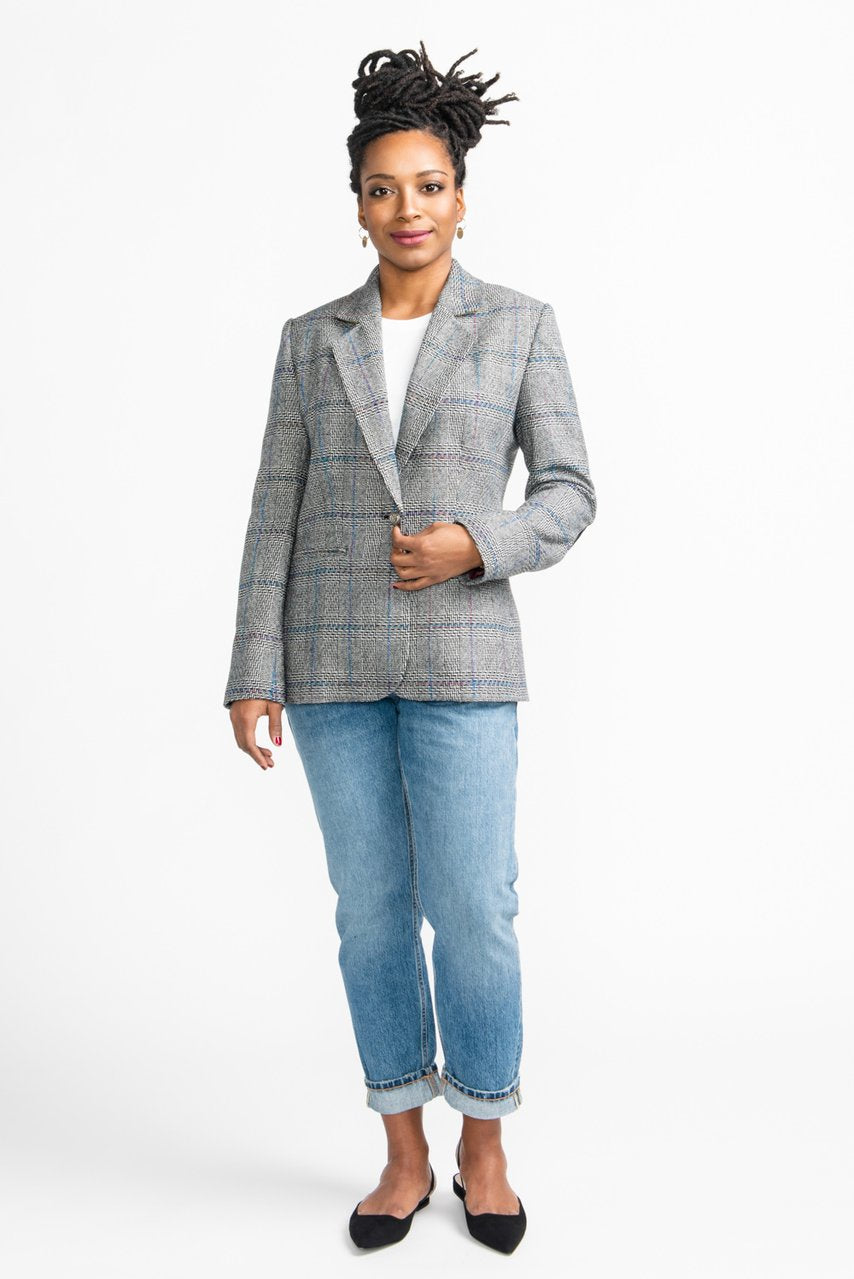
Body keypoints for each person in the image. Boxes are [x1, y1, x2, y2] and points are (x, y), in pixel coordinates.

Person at [223, 42, 597, 1254]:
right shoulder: (310, 338)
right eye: (382, 188)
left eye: (427, 186)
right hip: (329, 667)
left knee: (474, 910)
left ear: (460, 196)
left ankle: (483, 1144)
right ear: (356, 202)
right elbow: (273, 508)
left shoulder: (518, 325)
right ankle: (400, 1150)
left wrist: (473, 544)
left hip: (463, 662)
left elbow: (570, 491)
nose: (406, 209)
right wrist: (251, 670)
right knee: (371, 915)